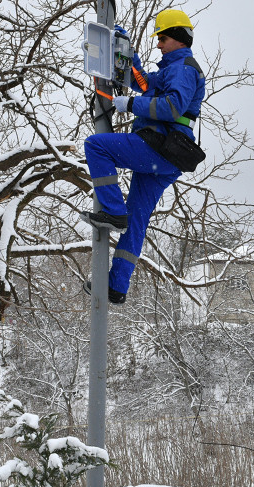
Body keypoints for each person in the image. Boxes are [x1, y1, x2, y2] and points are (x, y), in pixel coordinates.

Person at [83, 9, 206, 304]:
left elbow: (172, 106)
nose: (159, 44)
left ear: (177, 37)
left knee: (96, 145)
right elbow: (143, 82)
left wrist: (131, 105)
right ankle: (117, 285)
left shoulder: (184, 68)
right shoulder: (171, 68)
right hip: (167, 157)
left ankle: (113, 211)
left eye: (162, 38)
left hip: (158, 147)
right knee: (137, 219)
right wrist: (128, 55)